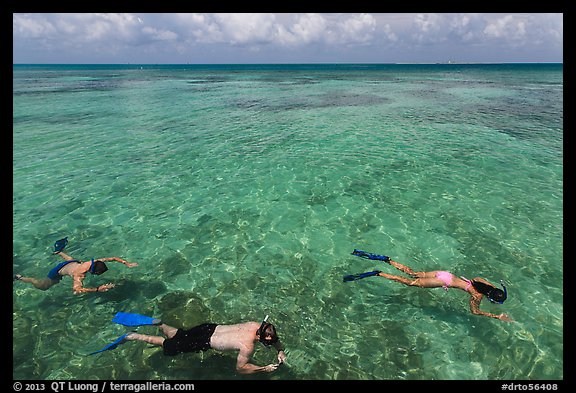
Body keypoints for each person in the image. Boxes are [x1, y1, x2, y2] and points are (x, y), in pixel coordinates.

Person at [107, 313, 287, 374]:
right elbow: (240, 369)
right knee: (170, 344)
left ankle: (159, 323)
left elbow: (273, 338)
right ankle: (134, 336)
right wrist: (264, 368)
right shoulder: (247, 346)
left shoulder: (257, 325)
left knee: (181, 334)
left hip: (208, 328)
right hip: (205, 340)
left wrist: (280, 350)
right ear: (262, 338)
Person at [371, 256, 513, 322]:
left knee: (413, 273)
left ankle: (388, 260)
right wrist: (496, 316)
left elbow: (477, 280)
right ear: (490, 297)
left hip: (445, 274)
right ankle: (380, 273)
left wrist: (494, 289)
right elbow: (474, 312)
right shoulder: (477, 296)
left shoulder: (481, 282)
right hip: (443, 281)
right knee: (411, 282)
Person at [13, 245, 138, 294]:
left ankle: (59, 252)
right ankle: (20, 278)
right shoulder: (79, 275)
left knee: (72, 261)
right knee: (42, 285)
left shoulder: (92, 262)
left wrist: (126, 263)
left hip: (71, 263)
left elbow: (113, 258)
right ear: (93, 272)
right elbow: (76, 289)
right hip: (56, 273)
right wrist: (97, 289)